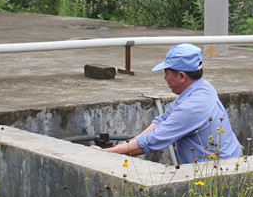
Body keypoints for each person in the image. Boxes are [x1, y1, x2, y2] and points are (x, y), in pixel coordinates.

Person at [95, 43, 242, 164]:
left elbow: (151, 142)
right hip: (229, 162)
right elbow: (162, 120)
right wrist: (127, 144)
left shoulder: (193, 107)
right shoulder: (203, 87)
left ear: (182, 76)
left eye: (166, 72)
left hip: (219, 176)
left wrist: (105, 154)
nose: (165, 78)